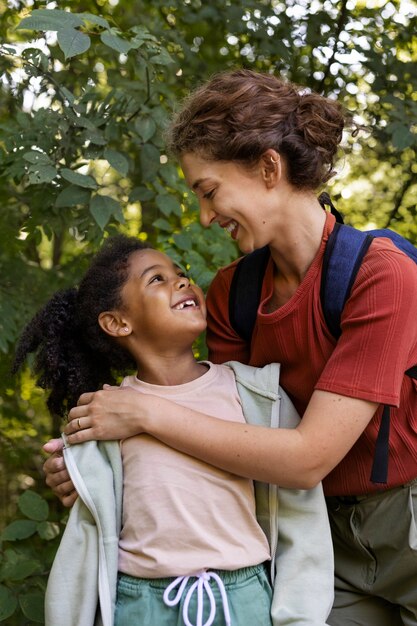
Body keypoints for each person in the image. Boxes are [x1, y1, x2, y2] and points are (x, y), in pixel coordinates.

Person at [43, 69, 417, 625]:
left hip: (404, 519)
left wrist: (143, 411)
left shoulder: (382, 275)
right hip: (315, 539)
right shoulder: (232, 293)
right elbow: (216, 429)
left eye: (209, 191)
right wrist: (98, 472)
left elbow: (307, 458)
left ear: (269, 168)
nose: (205, 216)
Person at [14, 234, 334, 626]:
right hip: (139, 604)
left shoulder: (256, 394)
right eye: (157, 279)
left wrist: (301, 616)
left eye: (180, 274)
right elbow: (85, 522)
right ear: (118, 322)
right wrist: (73, 469)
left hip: (244, 599)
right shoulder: (104, 412)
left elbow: (301, 518)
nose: (182, 281)